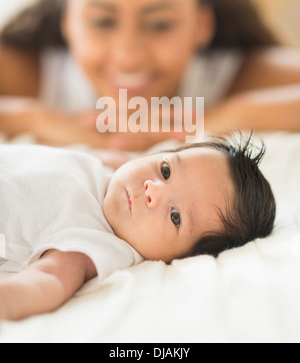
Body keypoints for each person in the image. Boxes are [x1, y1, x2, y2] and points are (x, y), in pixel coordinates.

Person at [0, 0, 299, 153]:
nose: (128, 54)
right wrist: (31, 120)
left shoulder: (234, 78)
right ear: (67, 21)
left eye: (159, 25)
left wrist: (223, 119)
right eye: (102, 22)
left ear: (201, 25)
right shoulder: (34, 75)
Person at [0, 134, 275, 321]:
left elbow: (48, 282)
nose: (153, 190)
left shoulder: (95, 242)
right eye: (165, 171)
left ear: (181, 257)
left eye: (176, 217)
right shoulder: (109, 170)